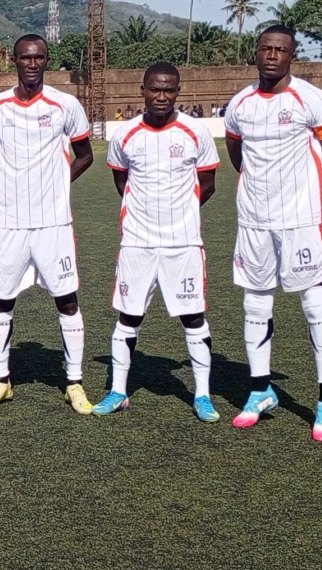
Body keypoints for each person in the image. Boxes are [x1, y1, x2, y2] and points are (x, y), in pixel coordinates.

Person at [223, 26, 322, 440]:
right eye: (266, 48)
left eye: (281, 50)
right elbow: (237, 154)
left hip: (300, 223)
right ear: (256, 53)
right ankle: (260, 391)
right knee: (255, 304)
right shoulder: (240, 104)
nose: (272, 56)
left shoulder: (310, 99)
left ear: (291, 56)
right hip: (254, 223)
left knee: (314, 303)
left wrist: (308, 196)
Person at [0, 34, 95, 414]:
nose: (32, 64)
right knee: (2, 300)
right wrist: (2, 189)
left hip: (53, 224)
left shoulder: (66, 105)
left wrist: (57, 186)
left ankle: (74, 381)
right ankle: (0, 380)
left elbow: (85, 154)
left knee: (67, 299)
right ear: (15, 60)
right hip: (8, 224)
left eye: (39, 57)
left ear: (46, 61)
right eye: (26, 58)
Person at [96, 62, 221, 421]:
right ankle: (118, 390)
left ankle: (202, 395)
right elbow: (122, 181)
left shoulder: (195, 132)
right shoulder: (125, 135)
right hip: (137, 241)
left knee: (193, 316)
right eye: (155, 89)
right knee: (128, 315)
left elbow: (208, 183)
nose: (161, 96)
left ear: (178, 92)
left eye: (169, 90)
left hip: (183, 244)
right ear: (143, 91)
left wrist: (180, 213)